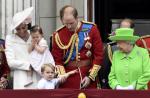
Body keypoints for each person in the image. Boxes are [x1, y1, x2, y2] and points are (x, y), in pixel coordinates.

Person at [52, 5, 103, 89]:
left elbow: (99, 56)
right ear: (61, 20)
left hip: (87, 74)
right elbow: (57, 60)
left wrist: (90, 77)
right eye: (66, 23)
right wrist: (63, 75)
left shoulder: (92, 29)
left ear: (77, 18)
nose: (69, 26)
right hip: (68, 78)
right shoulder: (58, 35)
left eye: (71, 23)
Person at [5, 7, 40, 89]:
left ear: (27, 25)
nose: (21, 31)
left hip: (37, 74)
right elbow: (11, 62)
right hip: (20, 76)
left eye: (23, 28)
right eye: (18, 29)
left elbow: (43, 53)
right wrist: (28, 65)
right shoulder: (10, 39)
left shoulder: (35, 36)